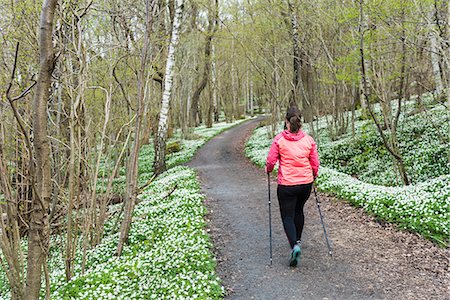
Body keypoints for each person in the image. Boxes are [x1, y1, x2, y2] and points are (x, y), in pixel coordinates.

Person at [265, 106, 320, 267]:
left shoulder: (279, 140)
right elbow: (315, 163)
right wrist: (313, 175)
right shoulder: (308, 140)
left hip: (287, 185)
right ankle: (298, 241)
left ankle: (294, 246)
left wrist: (268, 170)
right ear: (300, 122)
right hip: (305, 184)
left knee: (287, 216)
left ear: (286, 122)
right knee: (299, 210)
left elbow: (270, 161)